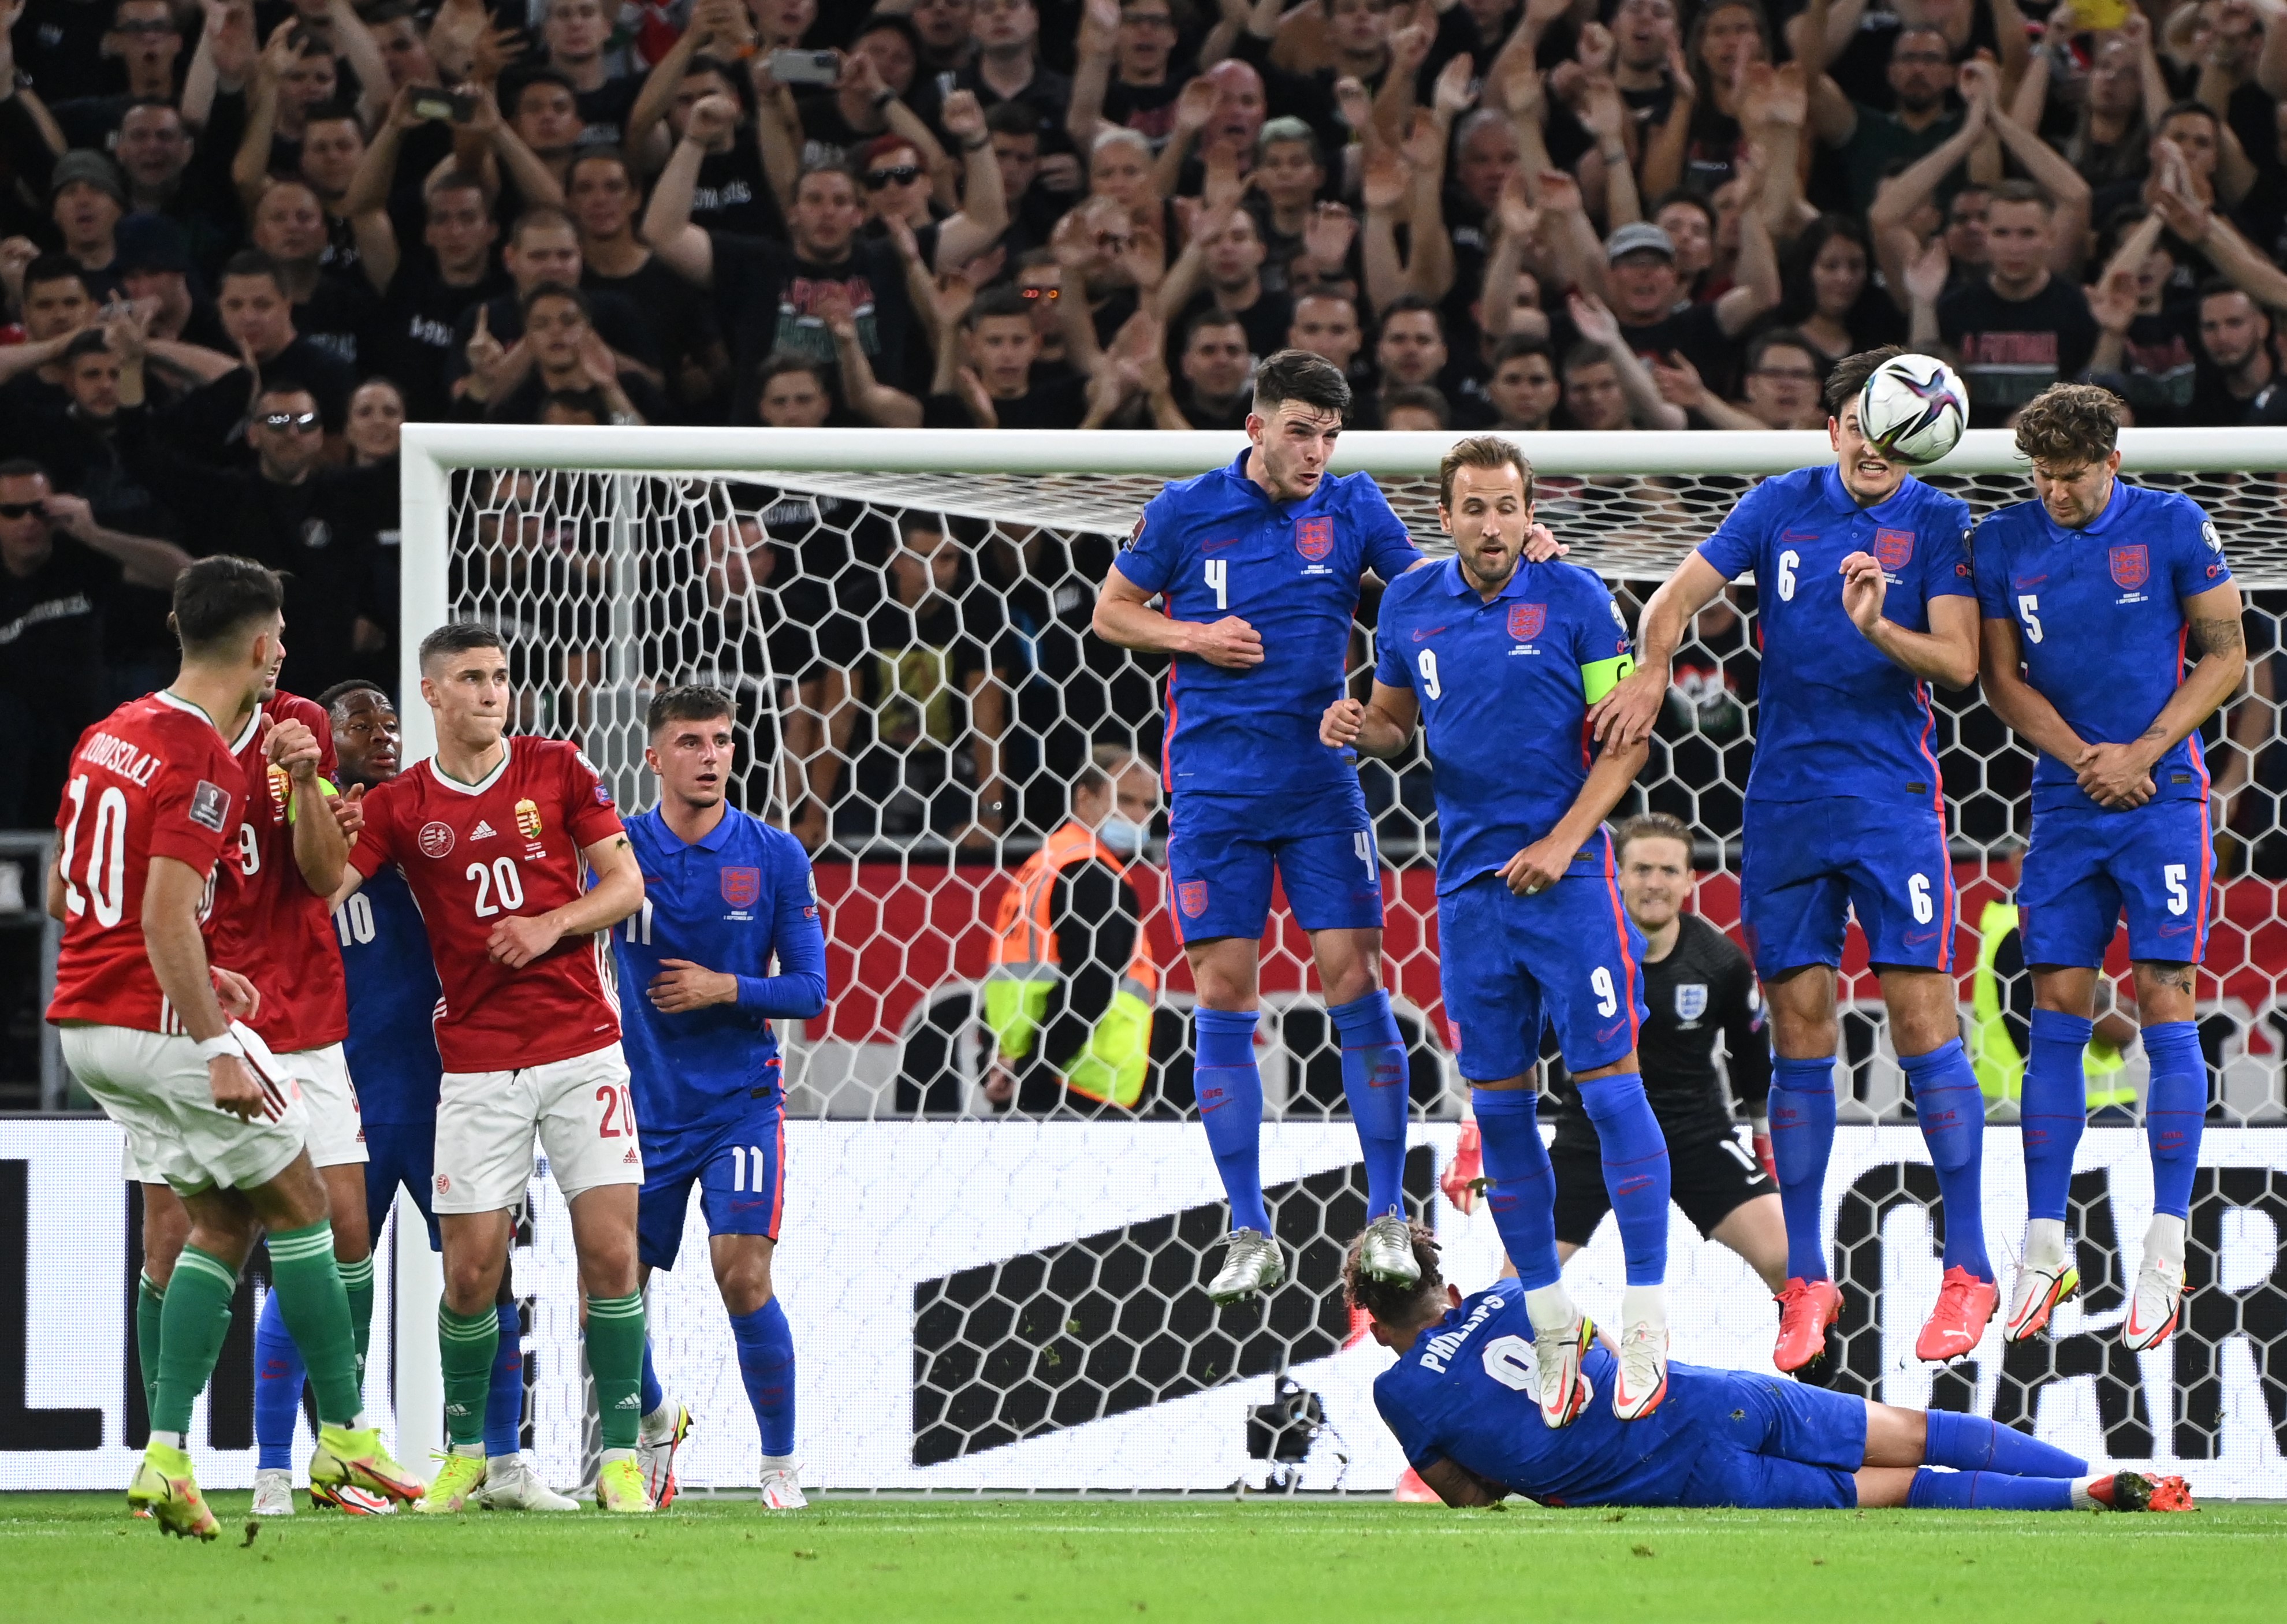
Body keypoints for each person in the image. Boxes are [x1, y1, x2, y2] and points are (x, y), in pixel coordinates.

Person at [1597, 345, 1988, 1376]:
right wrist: (1647, 671)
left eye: (1890, 427)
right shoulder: (1778, 505)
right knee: (1801, 1024)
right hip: (1783, 805)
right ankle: (1806, 1275)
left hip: (1890, 801)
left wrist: (1877, 624)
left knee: (1918, 1016)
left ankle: (1973, 1263)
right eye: (1858, 422)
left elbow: (1959, 662)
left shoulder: (1938, 523)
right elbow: (1670, 600)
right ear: (1836, 428)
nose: (1872, 442)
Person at [46, 556, 422, 1540]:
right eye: (282, 633)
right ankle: (343, 1434)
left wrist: (305, 778)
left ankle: (165, 1458)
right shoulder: (200, 757)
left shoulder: (107, 734)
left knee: (228, 1221)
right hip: (179, 1023)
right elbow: (170, 906)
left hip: (103, 1020)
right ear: (259, 643)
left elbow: (66, 896)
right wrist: (210, 1024)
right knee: (288, 1210)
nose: (286, 650)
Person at [1324, 436, 1671, 1425]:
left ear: (1530, 512)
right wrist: (1363, 727)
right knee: (1503, 1112)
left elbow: (1625, 739)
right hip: (1470, 894)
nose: (1490, 526)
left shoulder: (1578, 599)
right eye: (1472, 508)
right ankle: (1554, 1319)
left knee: (1610, 1094)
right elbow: (1399, 724)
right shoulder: (1407, 603)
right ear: (1447, 514)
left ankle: (1645, 1314)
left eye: (1506, 507)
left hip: (1568, 887)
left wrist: (1567, 843)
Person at [1090, 349, 1426, 1305]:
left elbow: (1419, 606)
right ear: (1257, 427)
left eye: (1329, 434)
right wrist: (1192, 635)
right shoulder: (1187, 509)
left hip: (1321, 786)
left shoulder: (1356, 507)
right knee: (1224, 994)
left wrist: (1372, 701)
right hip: (1212, 794)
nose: (1316, 451)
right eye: (1299, 431)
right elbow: (1114, 613)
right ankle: (1248, 1227)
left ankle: (1390, 1217)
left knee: (1355, 979)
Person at [329, 623, 653, 1513]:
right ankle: (467, 1453)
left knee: (610, 1254)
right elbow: (324, 891)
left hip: (584, 1046)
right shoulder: (398, 808)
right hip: (473, 1065)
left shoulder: (558, 768)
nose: (490, 693)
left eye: (501, 677)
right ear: (432, 693)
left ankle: (620, 1459)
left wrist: (554, 924)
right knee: (471, 1272)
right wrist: (312, 816)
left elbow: (625, 887)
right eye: (471, 679)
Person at [251, 680, 573, 1513]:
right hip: (347, 1095)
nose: (381, 734)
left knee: (485, 1281)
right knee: (317, 1284)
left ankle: (502, 1463)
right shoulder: (307, 838)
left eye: (391, 722)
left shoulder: (424, 824)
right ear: (324, 737)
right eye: (360, 723)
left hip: (451, 1094)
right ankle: (286, 1470)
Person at [1970, 383, 2245, 1352]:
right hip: (2066, 801)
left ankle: (2166, 1247)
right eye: (2042, 476)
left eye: (2073, 476)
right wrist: (2090, 758)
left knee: (2166, 998)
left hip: (2162, 798)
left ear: (2112, 462)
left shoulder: (2172, 524)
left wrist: (2143, 751)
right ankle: (2045, 1246)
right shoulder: (2004, 542)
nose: (2056, 493)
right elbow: (2001, 677)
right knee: (2057, 1004)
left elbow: (2227, 654)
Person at [1351, 1224, 2193, 1514]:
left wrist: (1518, 1463)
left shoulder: (1399, 1389)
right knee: (1909, 1429)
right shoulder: (1509, 1293)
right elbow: (1610, 1353)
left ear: (1375, 1323)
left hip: (1677, 1480)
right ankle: (2106, 1473)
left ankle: (2077, 1500)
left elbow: (1470, 1495)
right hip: (1712, 1399)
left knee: (1897, 1489)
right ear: (1445, 1285)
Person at [609, 686, 828, 1514]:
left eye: (723, 741)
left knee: (741, 1276)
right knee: (614, 1283)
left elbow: (810, 990)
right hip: (638, 1105)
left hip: (739, 1101)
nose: (710, 757)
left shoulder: (773, 856)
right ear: (655, 756)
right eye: (691, 742)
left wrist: (723, 987)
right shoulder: (619, 852)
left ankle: (779, 1465)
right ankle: (657, 1420)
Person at [1540, 813, 1785, 1295]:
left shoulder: (1720, 961)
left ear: (1691, 879)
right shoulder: (1582, 952)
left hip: (1694, 1134)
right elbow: (1517, 1042)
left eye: (1669, 871)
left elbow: (1752, 1055)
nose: (1655, 884)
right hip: (1592, 1139)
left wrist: (1764, 1139)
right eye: (1642, 870)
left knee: (1791, 1264)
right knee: (1518, 1286)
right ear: (1618, 875)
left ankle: (1815, 1375)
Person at [983, 746, 1162, 1113]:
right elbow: (1091, 987)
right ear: (1085, 796)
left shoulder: (1044, 863)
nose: (1138, 817)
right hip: (1081, 1083)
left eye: (1148, 806)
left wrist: (1003, 1061)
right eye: (1126, 801)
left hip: (1026, 1072)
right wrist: (1034, 1069)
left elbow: (1006, 975)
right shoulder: (1092, 874)